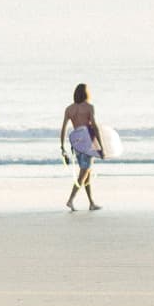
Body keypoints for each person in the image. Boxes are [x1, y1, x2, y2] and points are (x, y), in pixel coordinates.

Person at [60, 83, 102, 211]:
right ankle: (70, 200)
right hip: (87, 141)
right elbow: (94, 126)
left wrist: (62, 147)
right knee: (84, 173)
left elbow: (63, 129)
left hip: (76, 141)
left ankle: (91, 203)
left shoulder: (69, 109)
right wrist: (100, 146)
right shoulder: (89, 107)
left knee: (86, 172)